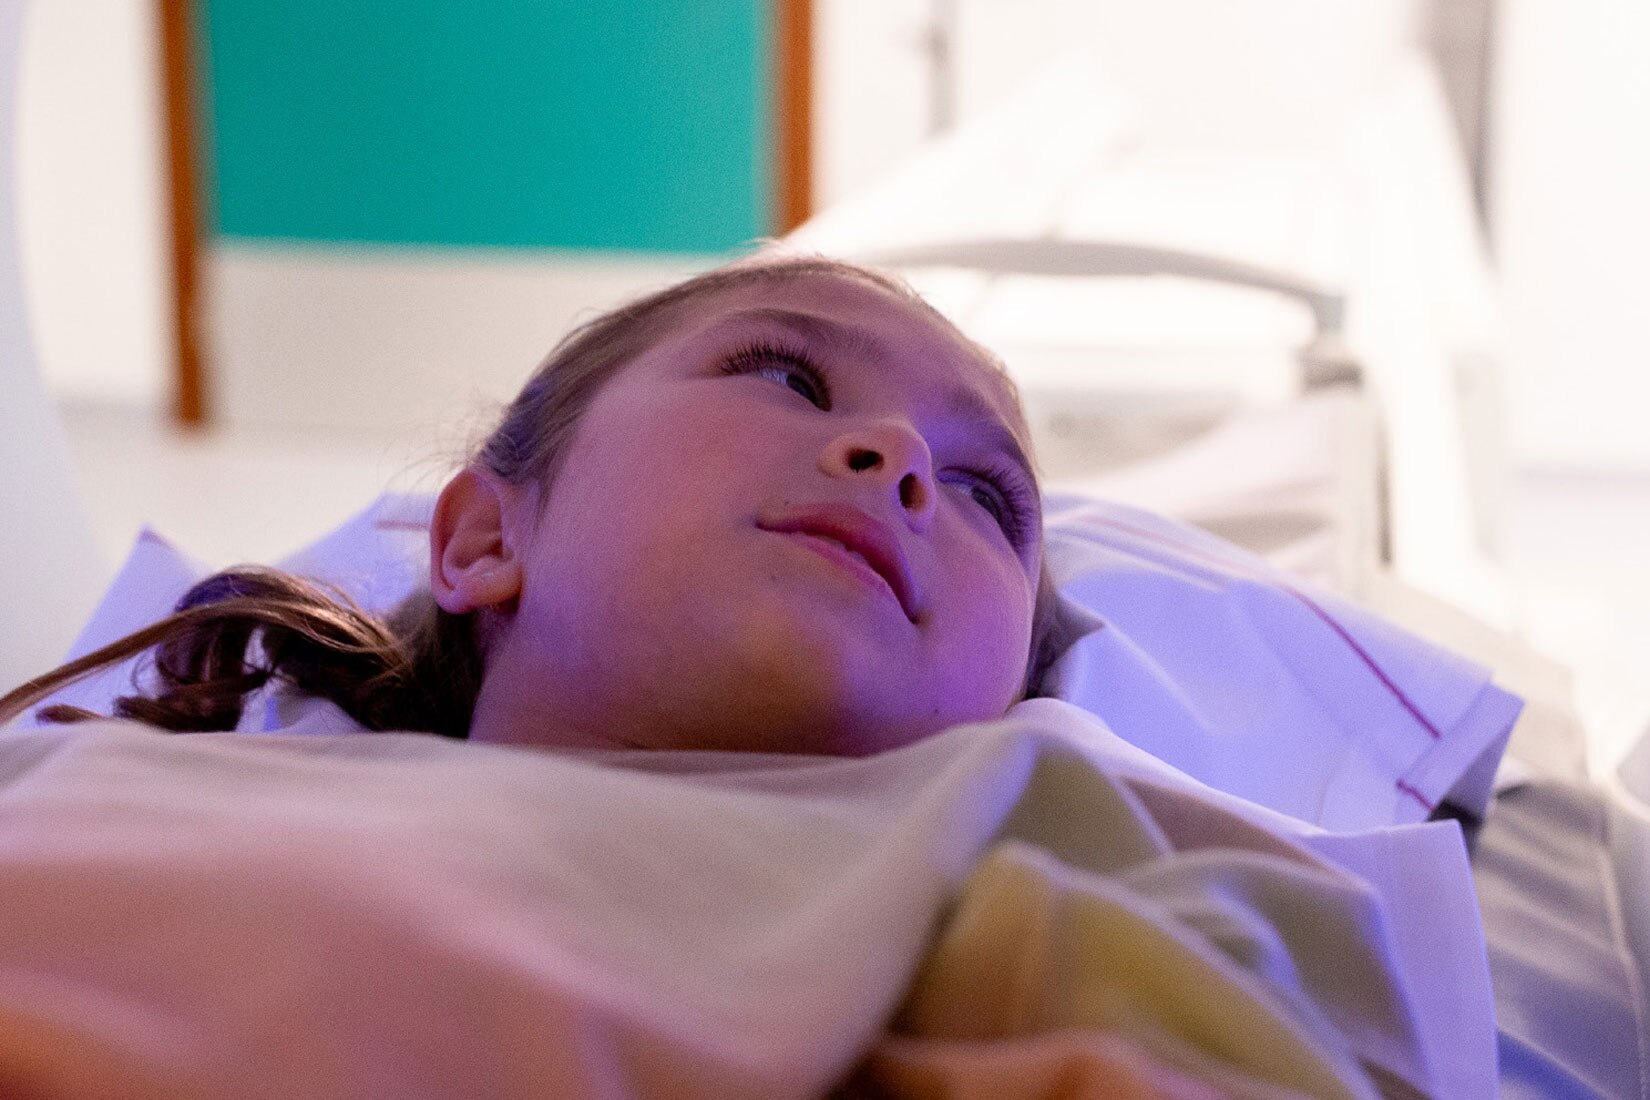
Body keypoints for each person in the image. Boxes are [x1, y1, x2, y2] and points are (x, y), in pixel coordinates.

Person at [0, 253, 1063, 756]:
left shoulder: (1063, 912)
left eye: (984, 493)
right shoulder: (141, 818)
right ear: (484, 538)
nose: (903, 455)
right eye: (790, 377)